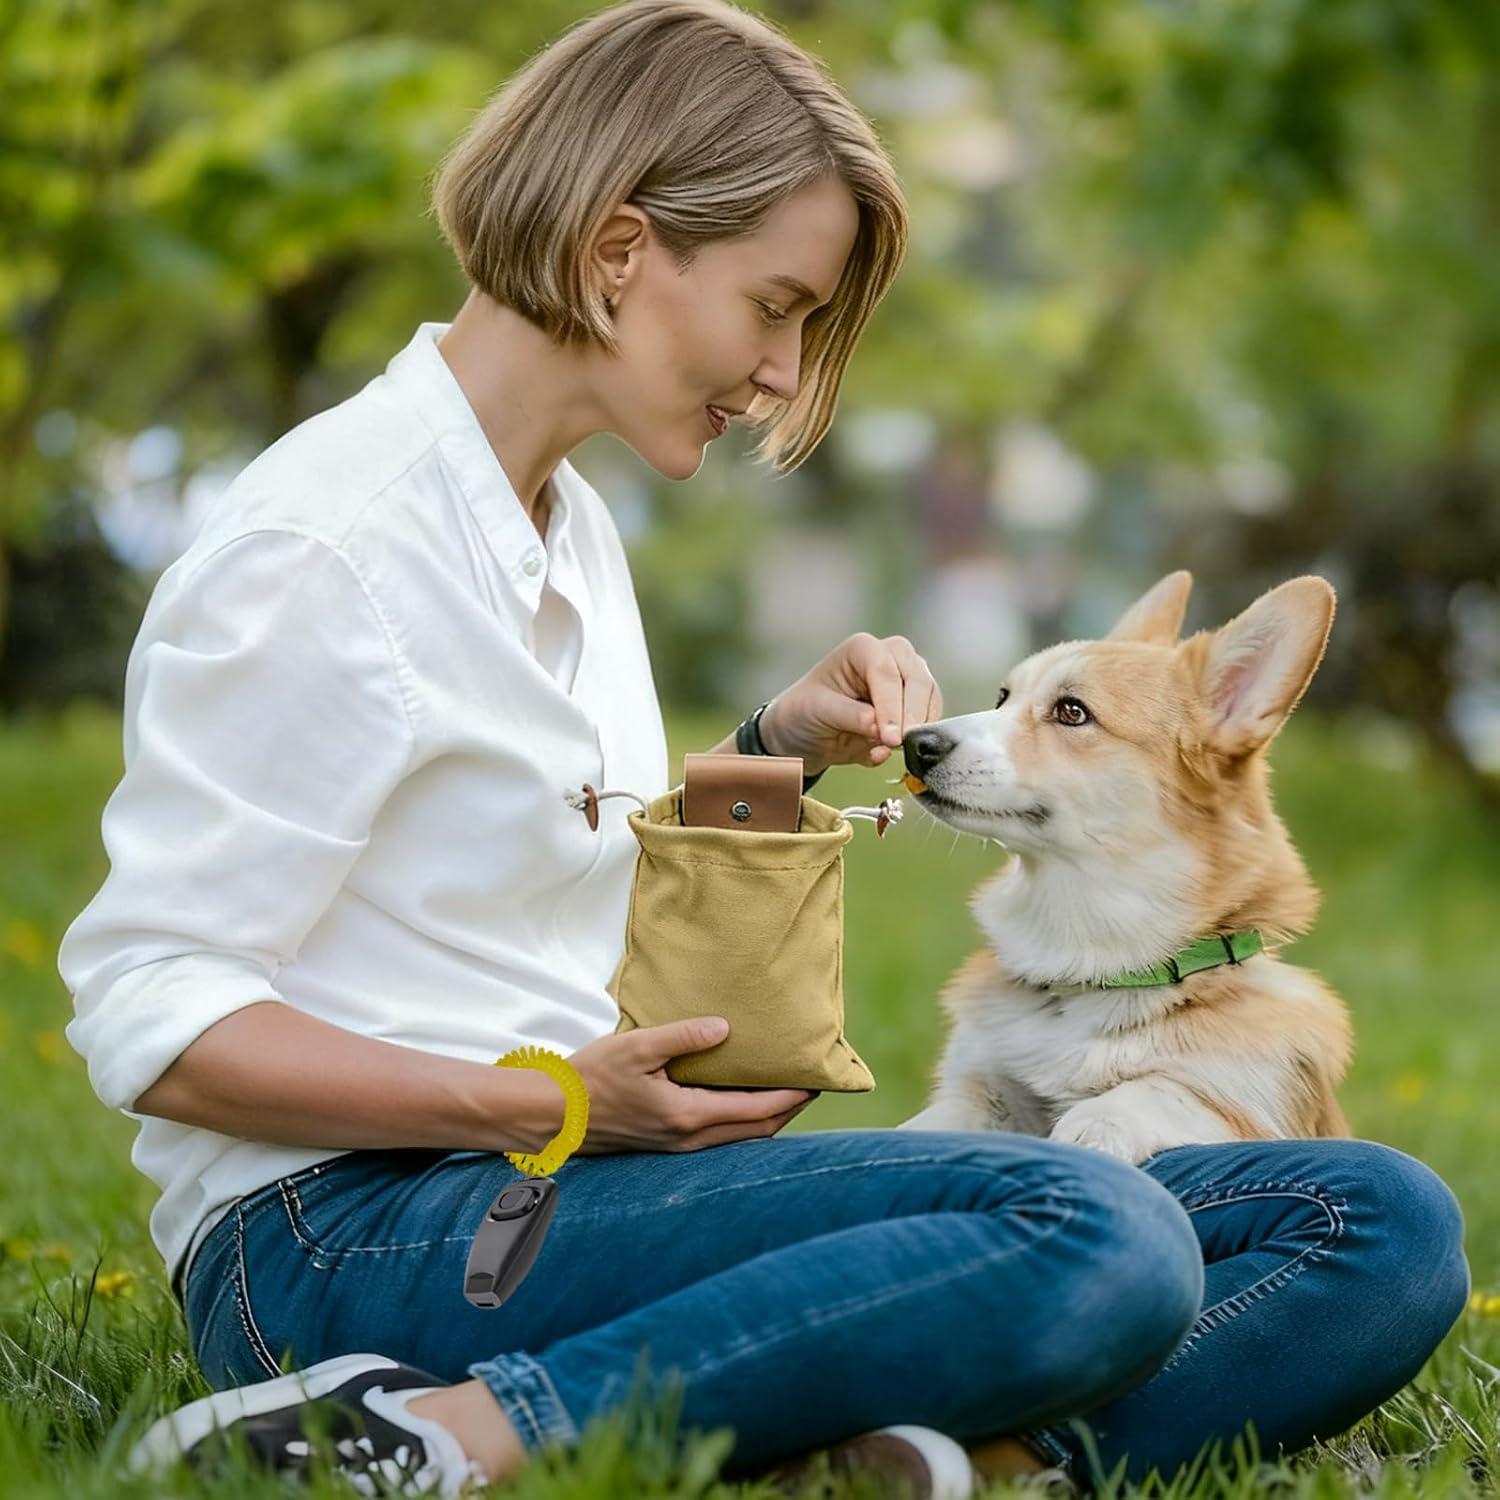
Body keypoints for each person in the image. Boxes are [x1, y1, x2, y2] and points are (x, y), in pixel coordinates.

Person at [58, 2, 1469, 1497]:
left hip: (565, 1186)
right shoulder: (324, 548)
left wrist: (767, 752)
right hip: (338, 1240)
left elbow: (509, 862)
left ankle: (909, 1463)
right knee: (1095, 1223)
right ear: (619, 251)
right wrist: (551, 1103)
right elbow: (156, 1016)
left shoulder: (560, 521)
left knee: (1378, 1221)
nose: (788, 375)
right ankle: (429, 1437)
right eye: (776, 307)